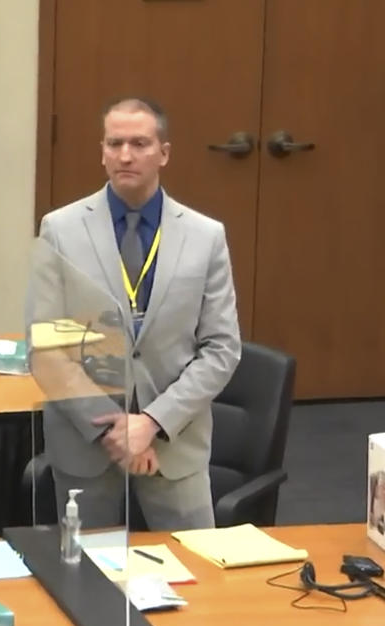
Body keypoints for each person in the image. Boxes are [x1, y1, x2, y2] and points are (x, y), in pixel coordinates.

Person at [35, 97, 241, 530]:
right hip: (86, 442)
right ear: (102, 151)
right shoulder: (61, 230)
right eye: (115, 143)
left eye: (140, 143)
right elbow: (48, 348)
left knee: (197, 579)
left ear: (164, 153)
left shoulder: (205, 237)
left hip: (174, 441)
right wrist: (114, 431)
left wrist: (151, 423)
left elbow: (221, 349)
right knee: (86, 580)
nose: (125, 155)